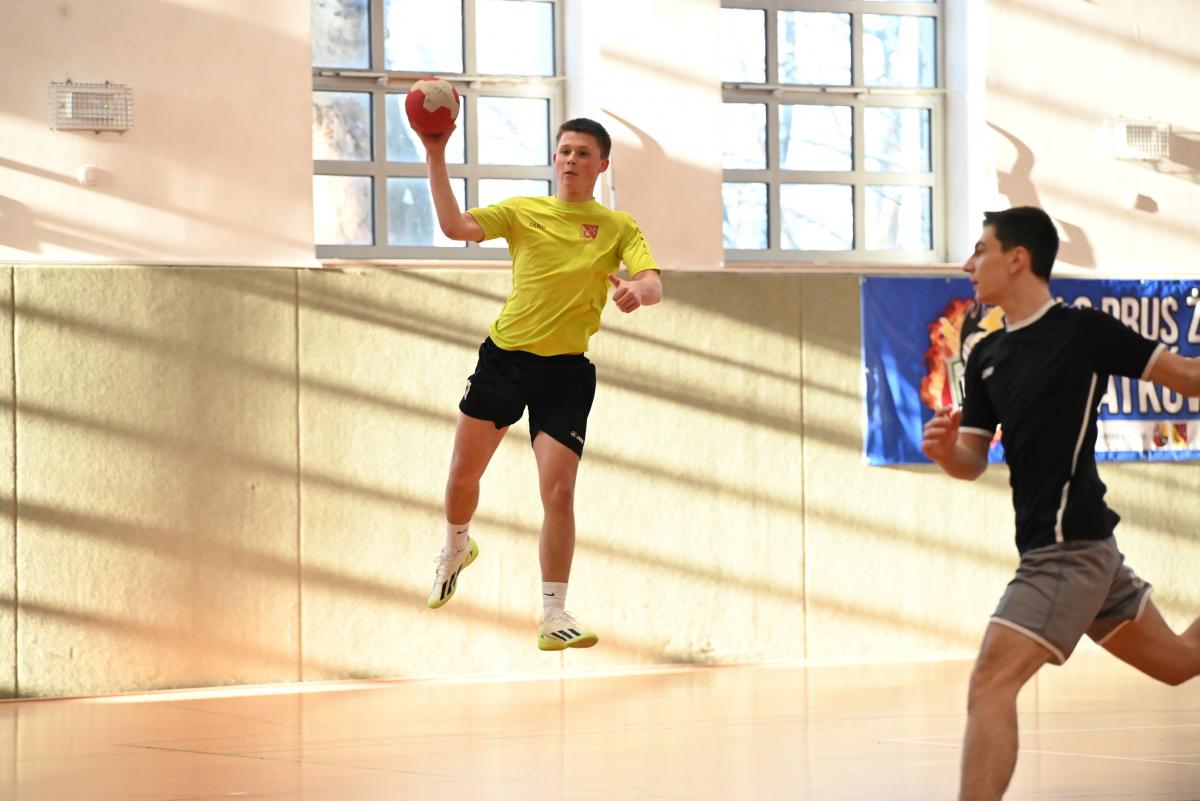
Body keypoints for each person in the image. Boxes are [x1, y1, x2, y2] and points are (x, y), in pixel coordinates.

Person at [922, 205, 1200, 801]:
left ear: (1017, 259)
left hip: (1066, 552)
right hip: (1085, 550)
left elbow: (1187, 377)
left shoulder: (1082, 332)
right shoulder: (986, 354)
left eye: (981, 250)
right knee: (1180, 662)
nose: (968, 264)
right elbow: (972, 459)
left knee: (990, 681)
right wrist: (946, 453)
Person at [418, 116, 662, 651]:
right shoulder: (523, 211)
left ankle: (553, 614)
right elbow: (455, 227)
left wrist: (636, 293)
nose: (571, 159)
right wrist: (435, 153)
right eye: (565, 151)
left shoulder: (617, 225)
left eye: (583, 153)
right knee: (462, 477)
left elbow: (652, 282)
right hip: (505, 360)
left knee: (559, 491)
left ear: (602, 164)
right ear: (555, 159)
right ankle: (456, 546)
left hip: (566, 373)